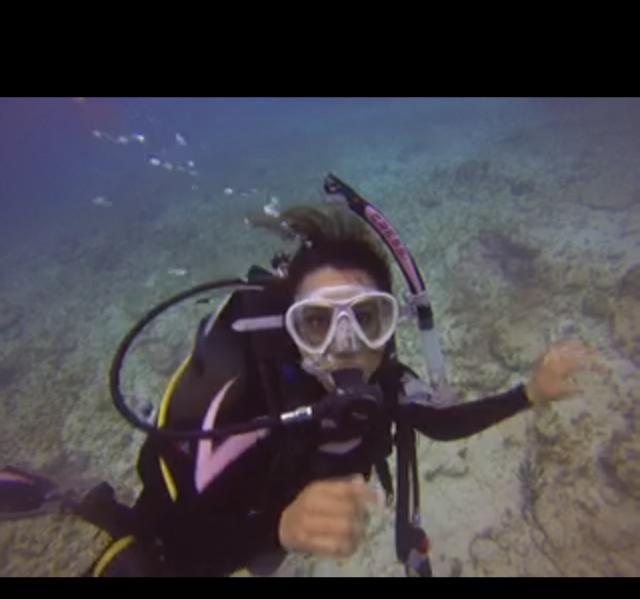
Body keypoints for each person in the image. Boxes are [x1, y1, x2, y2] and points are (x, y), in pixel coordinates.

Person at [1, 190, 599, 577]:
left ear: (389, 327)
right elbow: (177, 543)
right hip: (197, 529)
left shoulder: (384, 379)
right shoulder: (246, 409)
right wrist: (278, 528)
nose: (343, 344)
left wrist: (530, 393)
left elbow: (437, 422)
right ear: (291, 332)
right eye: (317, 322)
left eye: (365, 318)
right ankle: (81, 501)